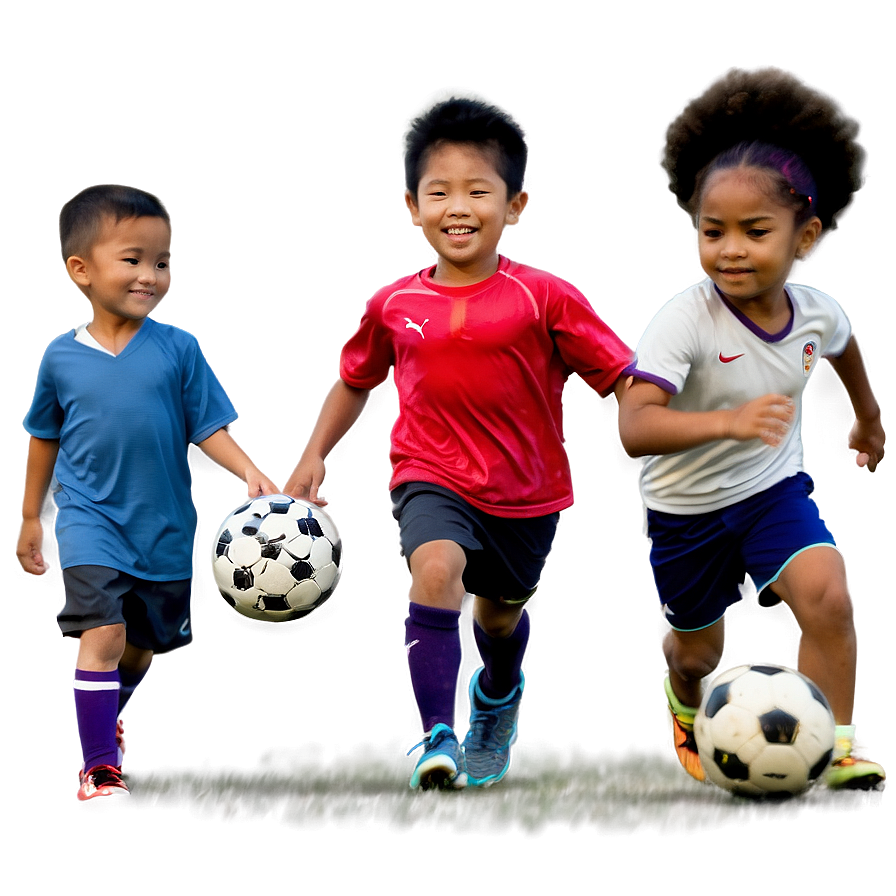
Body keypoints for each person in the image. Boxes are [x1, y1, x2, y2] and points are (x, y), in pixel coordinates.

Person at [285, 91, 633, 789]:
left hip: (527, 493)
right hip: (429, 475)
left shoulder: (545, 297)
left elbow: (620, 376)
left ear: (516, 205)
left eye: (479, 191)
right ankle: (437, 738)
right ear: (413, 206)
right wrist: (314, 451)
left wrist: (659, 428)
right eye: (438, 192)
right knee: (435, 568)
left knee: (499, 618)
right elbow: (355, 380)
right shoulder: (394, 304)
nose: (458, 208)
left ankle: (499, 693)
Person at [617, 66, 886, 790]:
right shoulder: (684, 319)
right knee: (700, 653)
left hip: (772, 492)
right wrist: (727, 420)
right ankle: (680, 704)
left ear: (807, 235)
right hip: (685, 514)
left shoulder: (817, 310)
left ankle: (838, 747)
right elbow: (633, 426)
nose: (730, 249)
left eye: (754, 231)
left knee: (828, 596)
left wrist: (868, 418)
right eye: (713, 232)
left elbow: (842, 346)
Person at [16, 183, 276, 801]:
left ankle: (109, 709)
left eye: (162, 263)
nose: (150, 276)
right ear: (82, 269)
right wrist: (30, 514)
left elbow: (205, 425)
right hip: (89, 517)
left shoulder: (179, 350)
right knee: (101, 634)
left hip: (163, 527)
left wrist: (246, 468)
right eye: (132, 260)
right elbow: (42, 438)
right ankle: (100, 765)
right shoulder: (60, 360)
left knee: (140, 652)